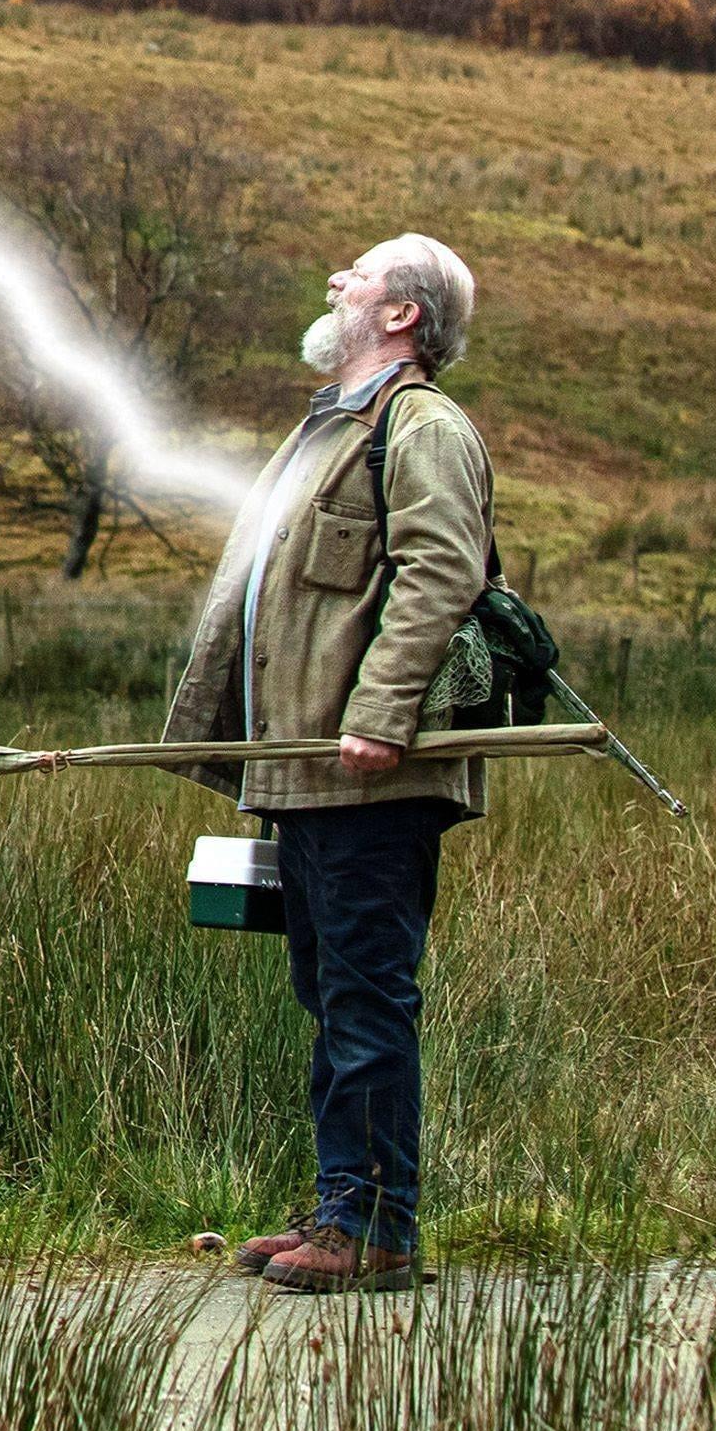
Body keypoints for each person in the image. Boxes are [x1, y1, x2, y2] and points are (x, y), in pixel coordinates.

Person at [160, 233, 491, 1294]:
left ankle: (377, 1228)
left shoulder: (421, 426)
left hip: (366, 773)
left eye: (356, 273)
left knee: (364, 994)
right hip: (307, 771)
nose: (336, 283)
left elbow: (442, 571)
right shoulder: (332, 430)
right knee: (329, 989)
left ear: (400, 314)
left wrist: (384, 713)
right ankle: (344, 1204)